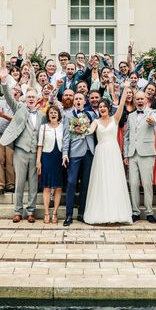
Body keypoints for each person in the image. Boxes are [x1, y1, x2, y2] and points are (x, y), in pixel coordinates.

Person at [0, 53, 45, 223]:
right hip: (20, 151)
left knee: (33, 184)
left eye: (33, 97)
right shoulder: (19, 108)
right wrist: (4, 81)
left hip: (35, 154)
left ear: (37, 100)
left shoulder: (42, 116)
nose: (31, 99)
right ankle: (18, 211)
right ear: (25, 100)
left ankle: (31, 211)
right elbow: (9, 97)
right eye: (28, 97)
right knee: (19, 183)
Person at [83, 92, 133, 225]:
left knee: (114, 180)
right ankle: (101, 213)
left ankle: (117, 212)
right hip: (101, 153)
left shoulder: (114, 119)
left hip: (113, 152)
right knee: (102, 181)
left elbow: (122, 105)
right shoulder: (95, 121)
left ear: (108, 108)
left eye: (104, 106)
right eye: (100, 107)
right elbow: (88, 131)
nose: (102, 108)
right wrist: (79, 128)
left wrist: (126, 88)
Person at [123, 91, 156, 223]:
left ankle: (149, 212)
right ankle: (135, 211)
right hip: (132, 154)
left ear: (146, 100)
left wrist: (152, 120)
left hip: (147, 153)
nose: (139, 101)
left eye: (141, 99)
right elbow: (126, 136)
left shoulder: (152, 113)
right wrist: (126, 154)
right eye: (137, 99)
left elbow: (154, 121)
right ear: (134, 101)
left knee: (147, 183)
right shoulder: (131, 116)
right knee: (133, 183)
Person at [61, 92, 96, 226]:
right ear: (74, 101)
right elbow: (65, 135)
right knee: (71, 182)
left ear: (85, 101)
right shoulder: (68, 115)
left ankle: (82, 213)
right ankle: (69, 215)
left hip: (89, 152)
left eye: (81, 98)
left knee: (86, 184)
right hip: (74, 152)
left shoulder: (91, 115)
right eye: (76, 99)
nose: (78, 101)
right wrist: (65, 153)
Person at [36, 105, 68, 224]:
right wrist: (38, 161)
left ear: (59, 115)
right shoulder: (43, 127)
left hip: (59, 158)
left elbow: (66, 143)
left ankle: (55, 212)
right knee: (47, 187)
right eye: (51, 112)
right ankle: (46, 212)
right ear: (48, 115)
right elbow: (40, 145)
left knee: (58, 186)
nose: (53, 114)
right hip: (47, 157)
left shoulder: (63, 127)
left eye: (55, 112)